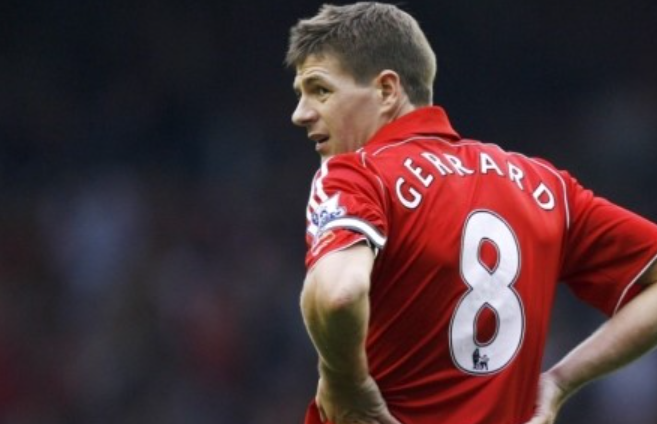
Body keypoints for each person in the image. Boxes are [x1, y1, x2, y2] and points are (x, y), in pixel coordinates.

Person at [285, 3, 657, 424]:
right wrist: (560, 381)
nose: (301, 114)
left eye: (320, 90)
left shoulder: (357, 175)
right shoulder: (544, 186)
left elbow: (339, 294)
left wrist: (343, 380)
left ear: (387, 90)